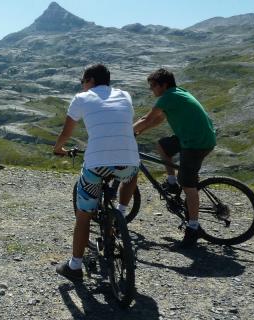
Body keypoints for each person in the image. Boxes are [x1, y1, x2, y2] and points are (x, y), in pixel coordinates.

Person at [53, 64, 140, 281]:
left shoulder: (82, 98)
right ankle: (120, 211)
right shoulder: (125, 95)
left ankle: (74, 266)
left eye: (83, 81)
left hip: (96, 165)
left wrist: (58, 149)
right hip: (127, 163)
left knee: (83, 216)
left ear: (90, 80)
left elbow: (67, 131)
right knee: (132, 173)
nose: (82, 86)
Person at [123, 68, 216, 248]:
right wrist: (138, 132)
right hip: (194, 137)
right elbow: (157, 120)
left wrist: (123, 133)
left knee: (188, 184)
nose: (152, 90)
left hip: (196, 143)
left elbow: (147, 118)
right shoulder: (176, 93)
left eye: (153, 86)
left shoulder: (167, 97)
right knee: (163, 146)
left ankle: (193, 228)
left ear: (163, 85)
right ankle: (172, 182)